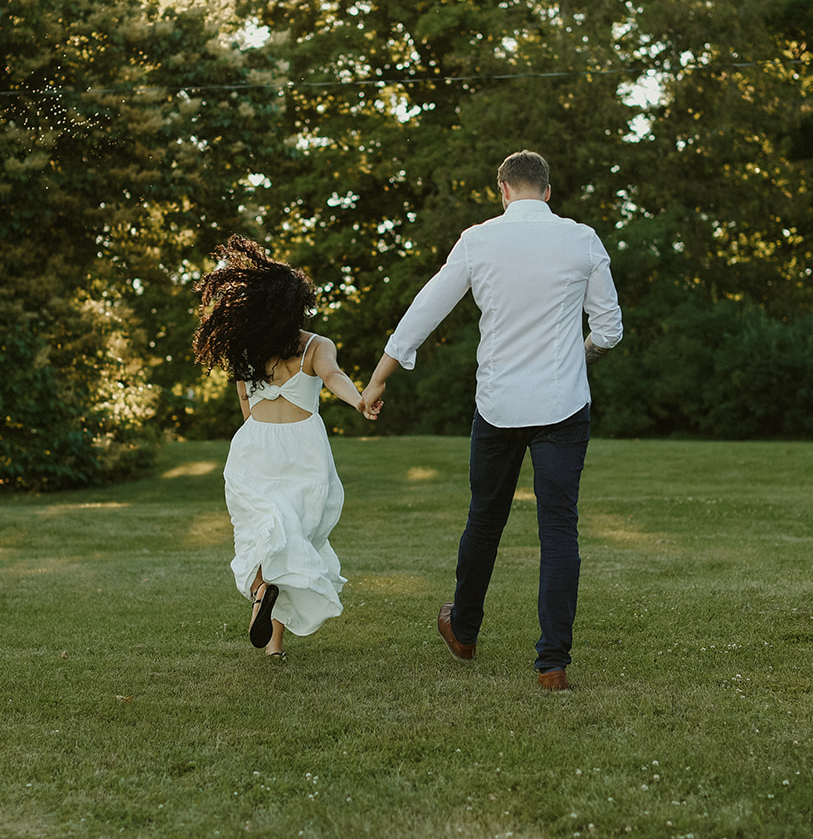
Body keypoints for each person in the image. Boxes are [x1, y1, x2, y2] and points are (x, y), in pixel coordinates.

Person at [360, 150, 622, 690]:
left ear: (502, 190)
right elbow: (611, 329)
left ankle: (464, 630)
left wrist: (381, 374)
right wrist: (582, 354)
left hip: (498, 407)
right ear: (547, 192)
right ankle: (553, 664)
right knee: (558, 531)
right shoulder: (582, 239)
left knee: (484, 519)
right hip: (563, 407)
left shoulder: (478, 240)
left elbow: (426, 307)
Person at [192, 235, 377, 660]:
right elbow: (333, 377)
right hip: (304, 453)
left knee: (264, 533)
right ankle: (272, 639)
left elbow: (245, 404)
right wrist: (359, 401)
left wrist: (255, 443)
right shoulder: (315, 346)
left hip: (253, 448)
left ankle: (262, 595)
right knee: (290, 536)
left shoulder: (247, 350)